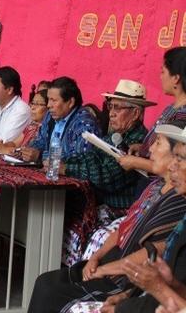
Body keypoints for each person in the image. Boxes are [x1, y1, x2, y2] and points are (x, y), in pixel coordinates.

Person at [27, 121, 186, 313]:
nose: (150, 149)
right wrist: (96, 258)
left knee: (50, 291)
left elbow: (158, 250)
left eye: (158, 143)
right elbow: (125, 226)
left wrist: (109, 273)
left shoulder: (179, 201)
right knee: (45, 282)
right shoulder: (155, 186)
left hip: (126, 277)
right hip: (119, 264)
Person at [60, 80, 155, 266]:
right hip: (104, 204)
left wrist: (67, 168)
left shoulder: (139, 142)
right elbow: (90, 156)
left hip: (122, 209)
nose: (111, 113)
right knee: (61, 214)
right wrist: (65, 162)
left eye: (118, 108)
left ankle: (82, 278)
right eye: (111, 106)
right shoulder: (113, 135)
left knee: (82, 227)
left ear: (135, 113)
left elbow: (105, 177)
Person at [117, 47, 186, 185]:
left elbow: (173, 163)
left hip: (163, 184)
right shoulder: (171, 108)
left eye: (163, 72)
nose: (160, 76)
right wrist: (143, 147)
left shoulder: (182, 115)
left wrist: (136, 162)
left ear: (176, 79)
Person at [22, 76, 101, 162]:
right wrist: (31, 151)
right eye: (48, 100)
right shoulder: (50, 115)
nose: (49, 105)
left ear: (70, 102)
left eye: (54, 100)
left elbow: (79, 159)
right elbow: (40, 141)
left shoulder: (84, 124)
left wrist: (40, 155)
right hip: (47, 170)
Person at [0, 89, 48, 154]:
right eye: (33, 103)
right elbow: (15, 143)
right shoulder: (31, 126)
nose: (32, 107)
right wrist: (0, 145)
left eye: (38, 104)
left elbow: (28, 154)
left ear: (48, 107)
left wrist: (4, 149)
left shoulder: (45, 131)